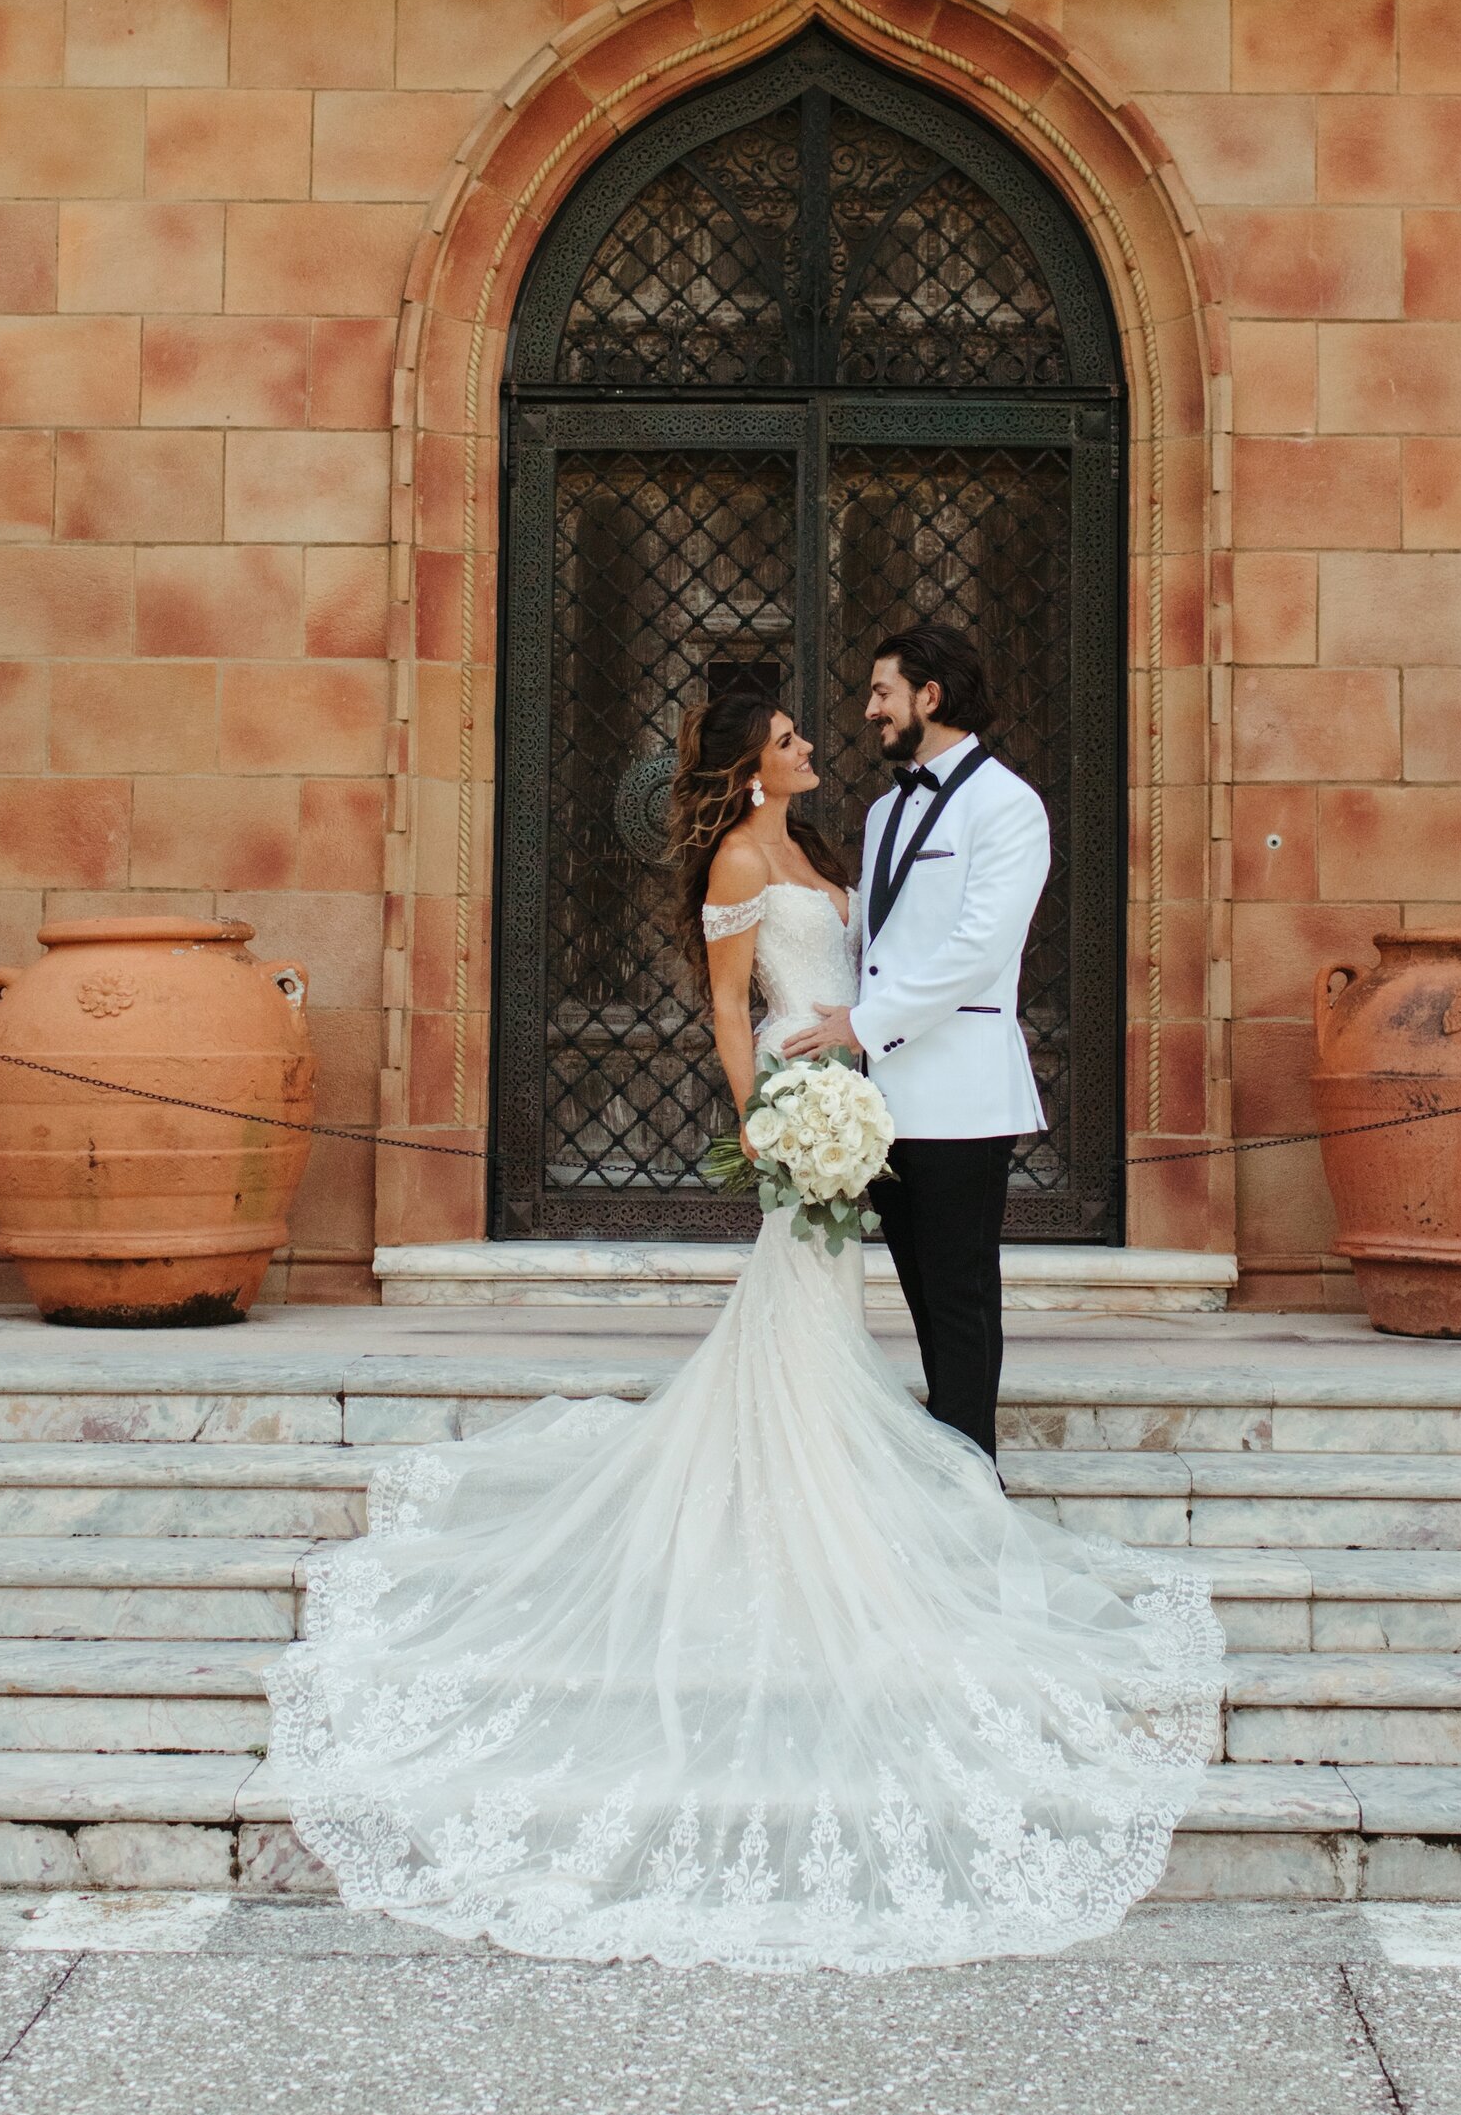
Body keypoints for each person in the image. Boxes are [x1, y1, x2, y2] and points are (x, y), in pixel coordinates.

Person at [263, 670, 1220, 1975]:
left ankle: (838, 1479)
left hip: (858, 1090)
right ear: (751, 761)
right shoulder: (730, 854)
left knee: (830, 1306)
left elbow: (877, 961)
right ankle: (795, 1503)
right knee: (801, 1294)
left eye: (819, 724)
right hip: (801, 1099)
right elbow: (730, 1004)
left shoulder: (828, 842)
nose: (814, 740)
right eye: (789, 735)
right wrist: (766, 1118)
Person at [781, 624, 1045, 1473]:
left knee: (961, 1298)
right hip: (884, 1105)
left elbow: (979, 947)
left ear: (929, 697)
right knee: (923, 1300)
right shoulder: (888, 808)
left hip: (964, 1097)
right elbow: (886, 939)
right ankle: (949, 1463)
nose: (869, 709)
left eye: (882, 692)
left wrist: (865, 1021)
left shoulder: (1008, 805)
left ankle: (976, 1476)